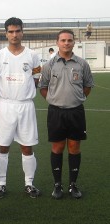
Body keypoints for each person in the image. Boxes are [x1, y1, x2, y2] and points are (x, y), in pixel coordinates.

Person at [39, 29, 94, 199]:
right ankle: (57, 185)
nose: (66, 43)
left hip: (76, 111)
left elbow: (88, 86)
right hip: (56, 112)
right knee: (57, 147)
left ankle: (73, 185)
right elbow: (43, 87)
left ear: (74, 42)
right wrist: (52, 100)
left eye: (69, 40)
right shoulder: (49, 65)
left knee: (74, 147)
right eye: (63, 40)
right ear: (57, 42)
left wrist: (79, 98)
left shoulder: (82, 64)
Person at [0, 17, 41, 199]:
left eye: (17, 31)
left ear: (22, 32)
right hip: (5, 105)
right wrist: (7, 93)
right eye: (10, 31)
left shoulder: (33, 56)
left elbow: (36, 77)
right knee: (3, 146)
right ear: (6, 33)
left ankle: (29, 184)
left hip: (26, 106)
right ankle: (1, 184)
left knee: (27, 147)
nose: (14, 34)